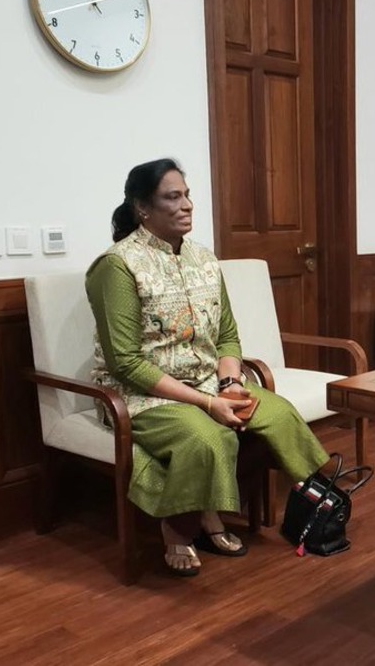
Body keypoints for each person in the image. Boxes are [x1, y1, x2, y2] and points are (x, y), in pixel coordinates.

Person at [86, 158, 330, 577]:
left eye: (187, 195)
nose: (187, 205)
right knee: (207, 437)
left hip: (208, 384)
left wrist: (231, 384)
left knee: (276, 414)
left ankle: (317, 502)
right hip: (142, 396)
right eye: (172, 197)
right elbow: (125, 362)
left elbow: (227, 336)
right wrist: (205, 402)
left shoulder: (203, 259)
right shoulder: (118, 266)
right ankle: (179, 529)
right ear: (142, 208)